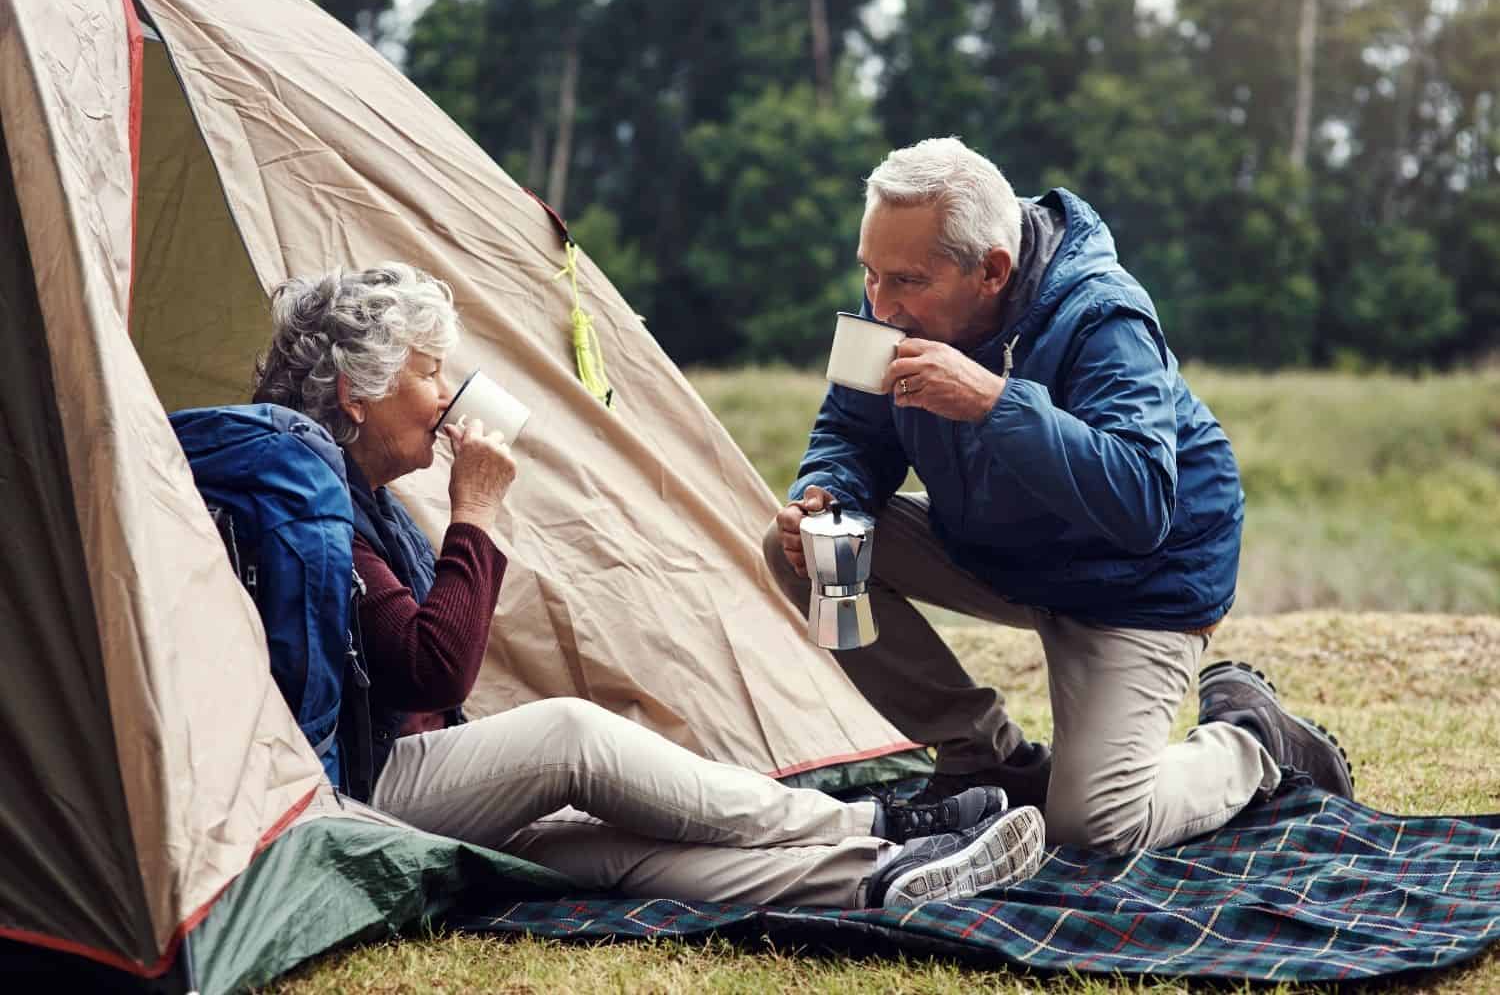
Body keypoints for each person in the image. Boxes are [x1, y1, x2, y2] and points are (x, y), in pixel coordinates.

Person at [249, 261, 1047, 910]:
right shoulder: (314, 513)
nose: (446, 395)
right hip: (351, 793)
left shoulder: (348, 496)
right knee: (569, 734)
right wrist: (476, 509)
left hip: (399, 772)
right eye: (429, 374)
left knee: (616, 853)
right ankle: (878, 818)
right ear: (359, 392)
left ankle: (878, 875)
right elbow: (433, 669)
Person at [764, 137, 1353, 854]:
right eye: (869, 274)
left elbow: (1139, 501)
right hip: (1000, 550)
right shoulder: (893, 307)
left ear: (992, 270)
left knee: (1095, 825)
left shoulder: (1104, 317)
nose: (880, 307)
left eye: (907, 282)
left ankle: (1252, 740)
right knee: (805, 551)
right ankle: (984, 757)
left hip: (1135, 579)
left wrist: (993, 403)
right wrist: (827, 494)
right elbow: (851, 433)